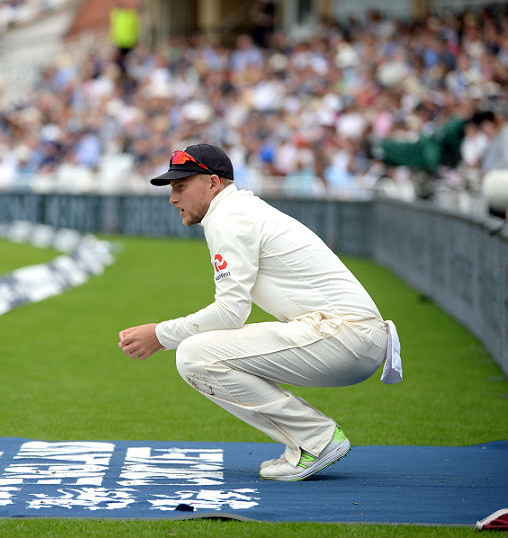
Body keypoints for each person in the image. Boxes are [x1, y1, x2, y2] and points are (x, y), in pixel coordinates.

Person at [117, 143, 402, 481]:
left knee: (194, 355)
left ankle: (316, 439)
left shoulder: (228, 216)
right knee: (203, 352)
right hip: (349, 336)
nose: (172, 198)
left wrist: (161, 335)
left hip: (343, 336)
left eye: (181, 187)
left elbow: (230, 313)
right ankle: (312, 440)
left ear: (212, 183)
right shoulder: (238, 209)